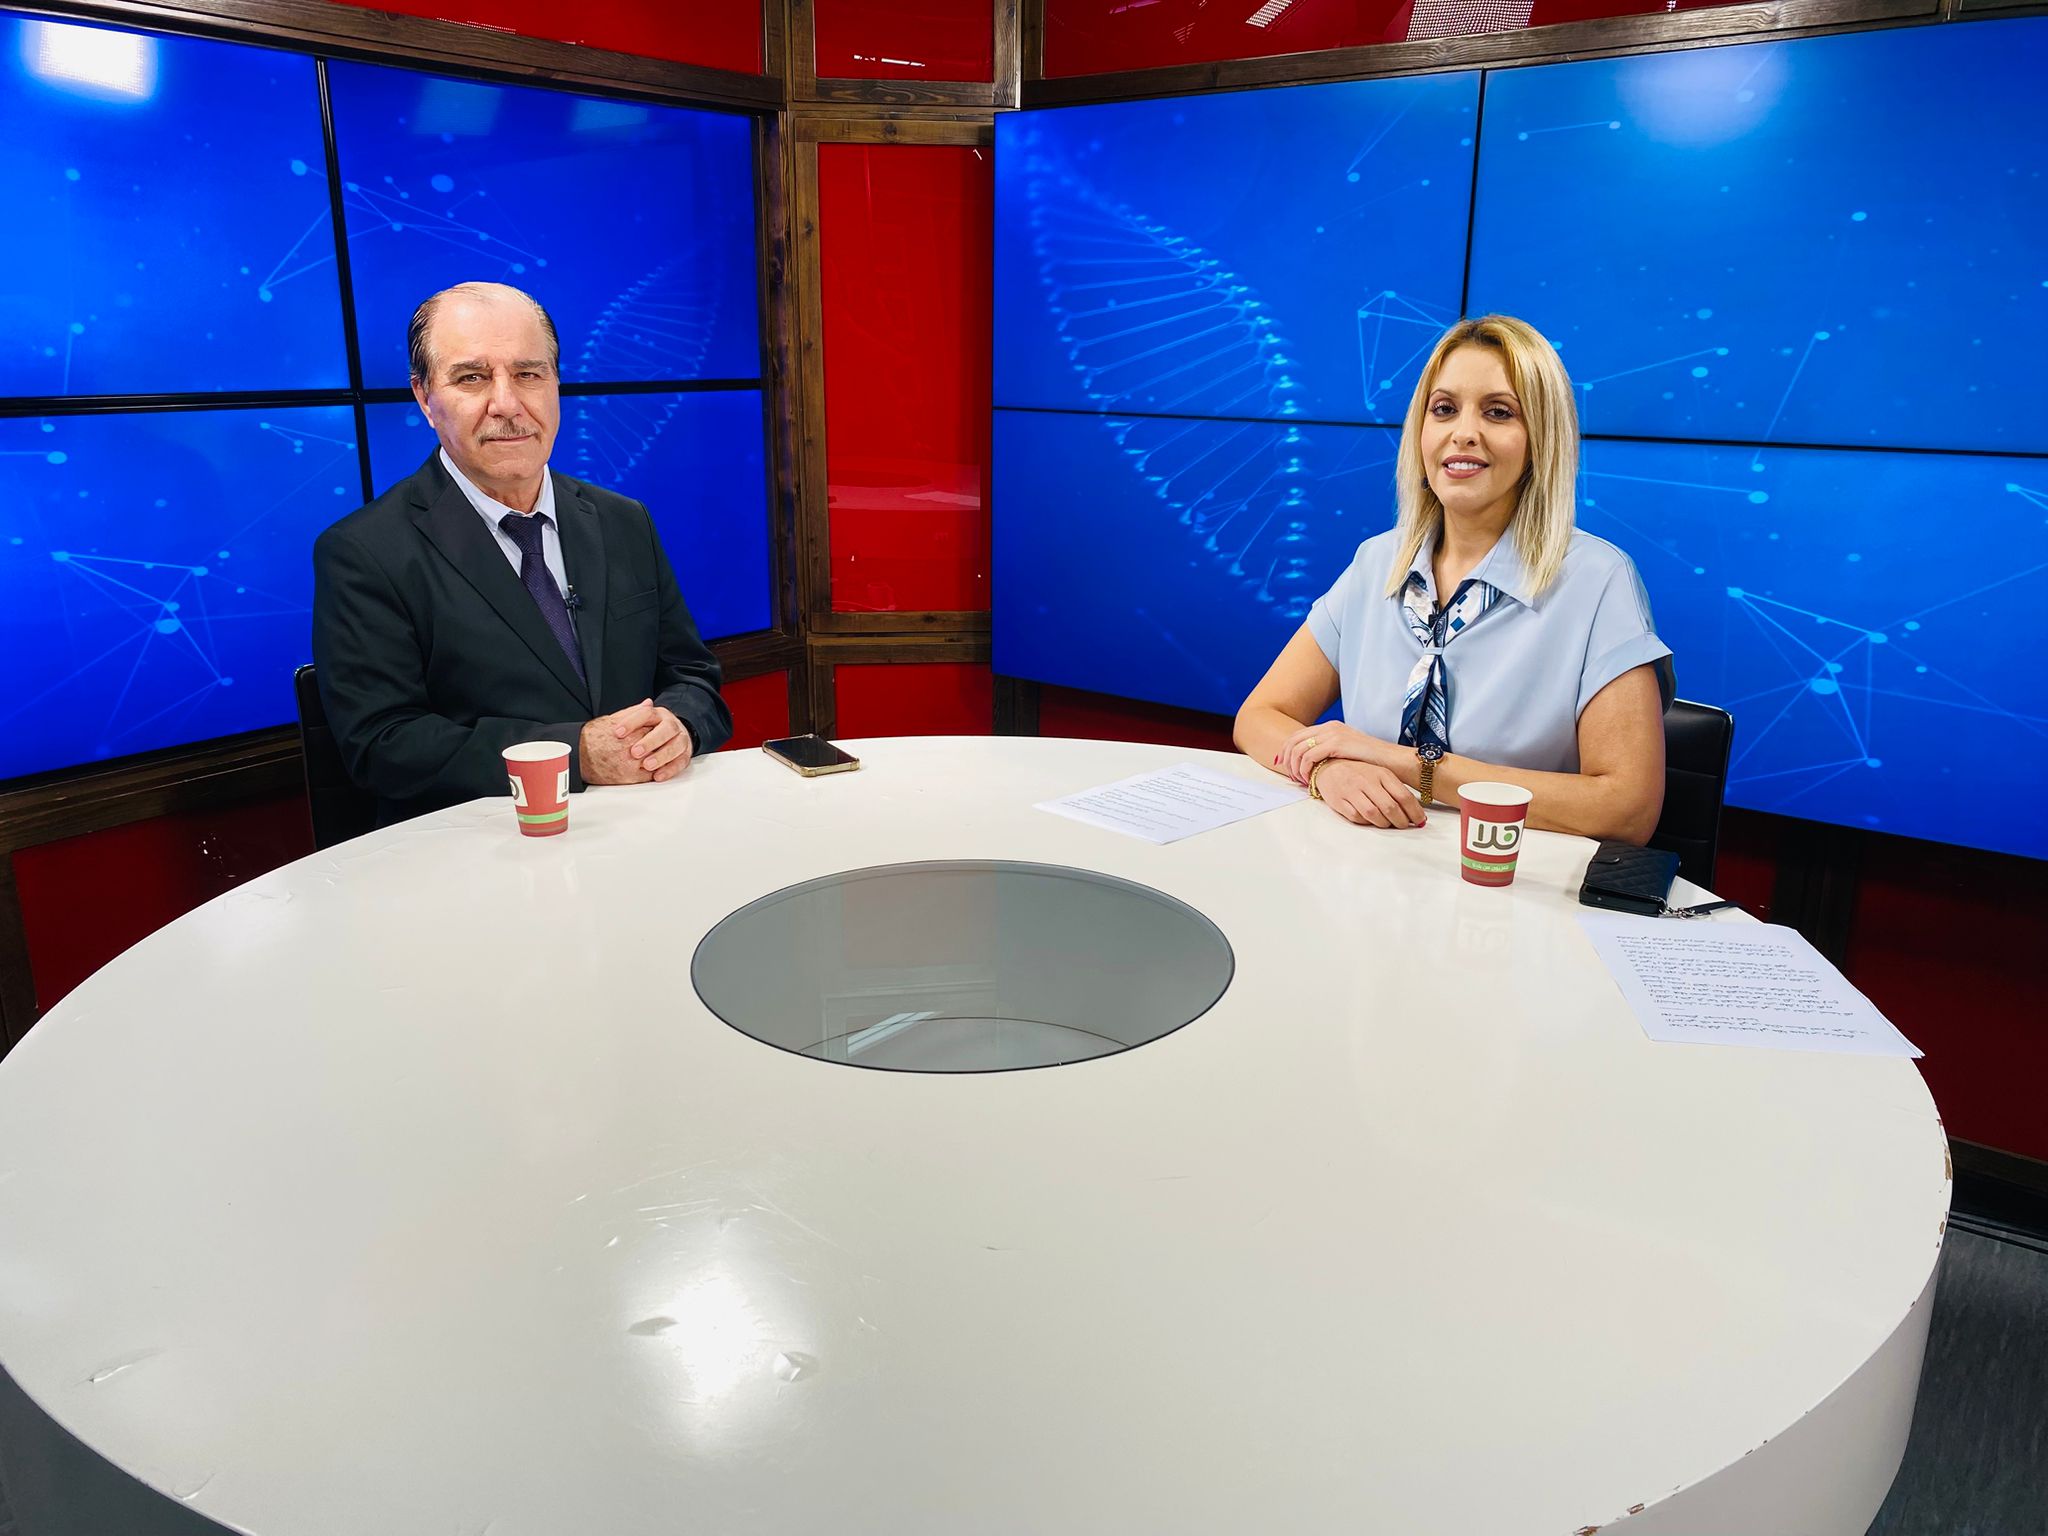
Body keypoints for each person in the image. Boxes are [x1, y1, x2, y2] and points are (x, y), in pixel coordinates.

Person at [1234, 314, 1672, 841]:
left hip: (1505, 875)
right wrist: (1327, 767)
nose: (1463, 433)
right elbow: (1259, 716)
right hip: (1361, 863)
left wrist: (1410, 767)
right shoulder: (1378, 561)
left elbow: (1626, 810)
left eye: (1499, 412)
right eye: (1444, 409)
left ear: (1541, 439)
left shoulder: (1597, 578)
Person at [312, 281, 731, 825]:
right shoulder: (364, 552)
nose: (507, 405)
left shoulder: (624, 520)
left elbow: (693, 677)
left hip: (643, 828)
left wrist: (680, 725)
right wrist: (576, 754)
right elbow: (383, 744)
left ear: (556, 384)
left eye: (529, 374)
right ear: (424, 397)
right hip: (478, 848)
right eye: (472, 378)